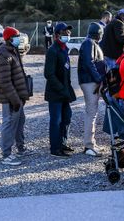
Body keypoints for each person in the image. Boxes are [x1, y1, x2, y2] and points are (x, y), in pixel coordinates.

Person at [0, 27, 31, 165]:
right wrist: (15, 100)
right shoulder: (3, 56)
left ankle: (21, 148)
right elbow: (5, 82)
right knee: (9, 124)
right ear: (9, 38)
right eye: (16, 36)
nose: (19, 38)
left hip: (17, 96)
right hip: (10, 98)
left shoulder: (13, 51)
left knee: (20, 121)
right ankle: (6, 154)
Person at [44, 22, 77, 157]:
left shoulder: (64, 49)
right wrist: (61, 88)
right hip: (55, 93)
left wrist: (67, 89)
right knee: (56, 120)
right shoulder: (53, 50)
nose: (68, 35)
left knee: (67, 117)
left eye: (68, 32)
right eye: (64, 33)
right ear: (57, 35)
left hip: (64, 92)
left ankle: (62, 143)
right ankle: (55, 148)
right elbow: (48, 74)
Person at [78, 22, 105, 157]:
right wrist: (99, 78)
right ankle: (89, 145)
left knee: (92, 112)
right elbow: (90, 63)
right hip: (90, 81)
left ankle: (91, 142)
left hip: (91, 80)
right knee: (91, 113)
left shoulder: (90, 42)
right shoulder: (89, 43)